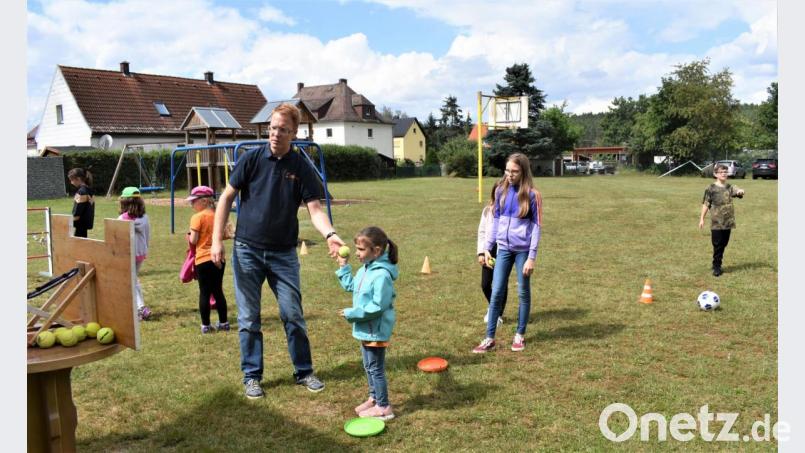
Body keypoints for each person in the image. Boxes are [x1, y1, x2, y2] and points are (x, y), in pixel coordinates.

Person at [211, 103, 345, 399]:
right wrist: (216, 239)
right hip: (247, 250)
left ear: (293, 133)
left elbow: (315, 209)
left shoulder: (301, 167)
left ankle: (304, 371)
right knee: (248, 318)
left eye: (282, 130)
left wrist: (330, 234)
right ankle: (252, 376)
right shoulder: (251, 158)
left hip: (284, 254)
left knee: (292, 314)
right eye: (272, 128)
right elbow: (225, 199)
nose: (275, 134)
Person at [473, 153, 542, 353]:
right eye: (507, 170)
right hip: (503, 249)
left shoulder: (532, 195)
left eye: (514, 171)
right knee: (496, 292)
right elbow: (494, 223)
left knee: (523, 292)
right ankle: (489, 338)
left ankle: (519, 335)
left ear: (523, 172)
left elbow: (537, 227)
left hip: (522, 251)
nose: (510, 175)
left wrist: (531, 257)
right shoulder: (501, 191)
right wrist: (487, 248)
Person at [335, 226, 398, 421]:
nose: (356, 253)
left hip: (376, 330)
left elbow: (378, 306)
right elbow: (352, 286)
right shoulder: (366, 269)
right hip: (365, 329)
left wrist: (352, 313)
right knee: (368, 366)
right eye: (356, 248)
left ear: (376, 251)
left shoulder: (381, 276)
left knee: (375, 368)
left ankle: (384, 407)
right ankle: (374, 397)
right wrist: (343, 266)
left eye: (361, 249)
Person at [187, 186, 229, 334]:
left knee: (204, 292)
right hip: (219, 258)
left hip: (203, 259)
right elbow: (224, 235)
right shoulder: (219, 215)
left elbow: (193, 239)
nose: (191, 204)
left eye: (194, 201)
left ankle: (206, 325)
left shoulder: (197, 217)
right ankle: (224, 323)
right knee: (218, 290)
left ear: (204, 201)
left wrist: (189, 235)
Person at [698, 163, 745, 277]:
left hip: (728, 222)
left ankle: (717, 262)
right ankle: (716, 267)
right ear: (715, 174)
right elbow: (706, 204)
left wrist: (741, 191)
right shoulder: (711, 188)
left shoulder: (730, 187)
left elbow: (737, 191)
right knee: (717, 245)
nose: (724, 174)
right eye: (721, 172)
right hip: (716, 223)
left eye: (725, 172)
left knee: (724, 244)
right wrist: (701, 219)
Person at [117, 187, 152, 320]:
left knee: (131, 280)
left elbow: (118, 239)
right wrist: (145, 250)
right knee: (133, 279)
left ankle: (140, 308)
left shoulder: (121, 219)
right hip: (140, 253)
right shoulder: (145, 218)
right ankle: (138, 308)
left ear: (123, 202)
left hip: (128, 254)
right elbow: (147, 235)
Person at [477, 180, 507, 327]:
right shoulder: (487, 211)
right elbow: (482, 232)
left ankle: (498, 314)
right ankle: (493, 307)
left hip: (504, 250)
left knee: (501, 284)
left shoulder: (509, 211)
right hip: (489, 250)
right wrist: (481, 253)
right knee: (485, 284)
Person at [67, 168, 95, 238]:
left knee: (78, 245)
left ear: (78, 179)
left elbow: (78, 210)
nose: (71, 182)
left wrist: (70, 221)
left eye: (72, 180)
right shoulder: (89, 190)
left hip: (80, 224)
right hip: (85, 223)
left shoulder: (81, 192)